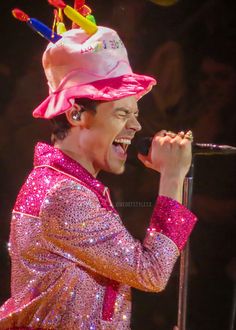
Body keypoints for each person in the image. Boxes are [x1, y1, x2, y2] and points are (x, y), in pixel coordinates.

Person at [0, 4, 196, 329]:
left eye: (135, 114)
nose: (135, 126)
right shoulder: (65, 195)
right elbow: (151, 272)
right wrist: (173, 177)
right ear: (76, 114)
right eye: (122, 114)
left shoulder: (63, 184)